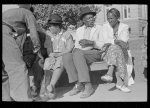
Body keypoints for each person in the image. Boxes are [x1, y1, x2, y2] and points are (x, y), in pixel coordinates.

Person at [62, 7, 106, 98]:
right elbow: (77, 45)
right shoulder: (79, 30)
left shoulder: (100, 28)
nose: (92, 19)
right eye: (89, 18)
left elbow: (104, 44)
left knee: (78, 53)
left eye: (92, 17)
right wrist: (76, 49)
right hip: (81, 53)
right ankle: (78, 84)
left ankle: (88, 85)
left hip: (96, 52)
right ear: (83, 20)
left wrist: (91, 42)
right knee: (67, 56)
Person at [2, 4, 40, 101]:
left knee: (3, 72)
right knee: (18, 68)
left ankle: (6, 98)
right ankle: (24, 99)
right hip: (4, 31)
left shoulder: (11, 15)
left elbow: (16, 32)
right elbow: (33, 32)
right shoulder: (28, 13)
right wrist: (37, 47)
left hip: (6, 31)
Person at [39, 14, 74, 100]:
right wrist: (51, 54)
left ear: (57, 26)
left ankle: (51, 85)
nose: (49, 28)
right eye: (49, 26)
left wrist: (58, 54)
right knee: (47, 62)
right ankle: (47, 88)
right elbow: (48, 48)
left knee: (59, 62)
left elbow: (69, 49)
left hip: (63, 55)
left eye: (51, 26)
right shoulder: (48, 35)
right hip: (53, 55)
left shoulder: (67, 34)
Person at [101, 8, 134, 92]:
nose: (109, 20)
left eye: (111, 18)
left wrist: (112, 41)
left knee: (116, 48)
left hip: (122, 52)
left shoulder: (124, 27)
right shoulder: (105, 26)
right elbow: (105, 41)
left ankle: (110, 73)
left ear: (117, 17)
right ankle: (120, 83)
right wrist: (116, 41)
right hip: (107, 52)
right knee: (115, 47)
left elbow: (124, 41)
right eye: (108, 18)